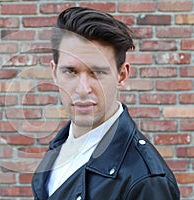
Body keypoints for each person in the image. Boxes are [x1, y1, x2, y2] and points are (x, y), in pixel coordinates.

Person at [31, 7, 180, 200]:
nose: (83, 89)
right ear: (54, 73)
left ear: (122, 75)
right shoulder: (59, 146)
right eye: (70, 71)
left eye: (97, 72)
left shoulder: (146, 180)